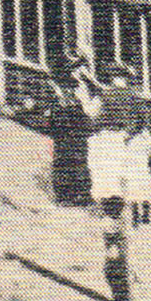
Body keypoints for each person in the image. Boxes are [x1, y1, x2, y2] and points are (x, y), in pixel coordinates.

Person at [48, 54, 94, 204]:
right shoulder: (68, 92)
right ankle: (70, 195)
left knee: (70, 162)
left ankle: (70, 195)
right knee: (71, 162)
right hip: (70, 132)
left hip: (69, 133)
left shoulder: (69, 92)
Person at [122, 112, 151, 226]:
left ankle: (137, 218)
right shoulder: (145, 138)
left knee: (134, 192)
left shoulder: (131, 138)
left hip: (135, 167)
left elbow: (125, 151)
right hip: (141, 167)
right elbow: (150, 148)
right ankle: (144, 216)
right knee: (144, 191)